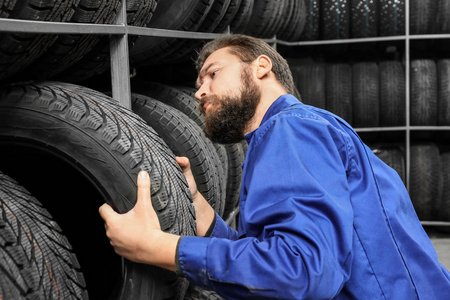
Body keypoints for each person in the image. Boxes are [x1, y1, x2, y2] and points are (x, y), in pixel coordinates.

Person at [99, 34, 450, 299]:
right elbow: (279, 253)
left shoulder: (291, 130)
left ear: (261, 67)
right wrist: (203, 215)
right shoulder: (288, 133)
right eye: (198, 84)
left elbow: (301, 271)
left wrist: (157, 247)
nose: (199, 92)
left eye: (212, 74)